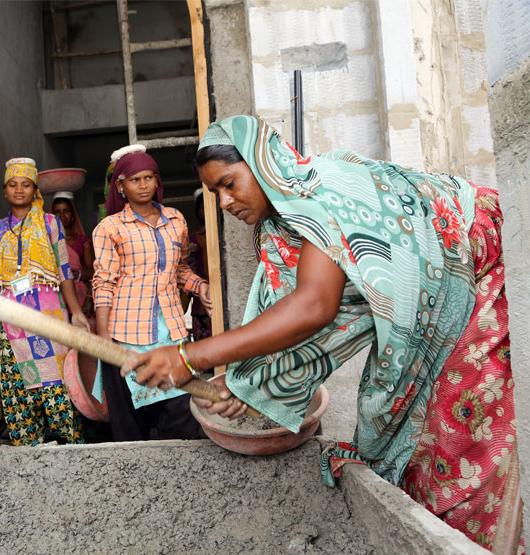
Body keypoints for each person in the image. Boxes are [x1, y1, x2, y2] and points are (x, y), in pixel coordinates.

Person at [122, 115, 516, 550]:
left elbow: (314, 308)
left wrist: (187, 356)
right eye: (216, 192)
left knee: (460, 436)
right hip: (449, 291)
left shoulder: (324, 191)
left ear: (262, 162)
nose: (225, 201)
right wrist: (247, 382)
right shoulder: (283, 229)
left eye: (229, 183)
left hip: (480, 272)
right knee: (426, 436)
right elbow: (306, 320)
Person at [93, 145, 212, 442]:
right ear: (120, 186)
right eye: (135, 180)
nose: (143, 185)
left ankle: (178, 474)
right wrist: (105, 335)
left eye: (149, 178)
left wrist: (200, 286)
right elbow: (104, 282)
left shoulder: (176, 221)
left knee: (181, 409)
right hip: (125, 333)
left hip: (169, 330)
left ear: (157, 181)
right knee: (129, 422)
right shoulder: (110, 228)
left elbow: (179, 269)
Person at [0, 157, 89, 446]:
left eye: (26, 184)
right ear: (5, 190)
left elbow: (64, 272)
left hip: (49, 316)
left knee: (55, 381)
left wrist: (77, 312)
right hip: (11, 321)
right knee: (15, 384)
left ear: (35, 190)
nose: (19, 190)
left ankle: (69, 447)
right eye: (12, 185)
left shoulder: (50, 223)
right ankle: (27, 449)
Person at [49, 191, 94, 314]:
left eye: (66, 211)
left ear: (73, 215)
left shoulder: (83, 241)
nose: (62, 215)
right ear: (51, 216)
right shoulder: (46, 241)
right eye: (57, 211)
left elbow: (94, 272)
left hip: (79, 294)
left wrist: (76, 275)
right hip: (54, 294)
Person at [187, 188, 212, 340]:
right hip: (200, 305)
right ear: (198, 212)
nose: (206, 211)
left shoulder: (225, 235)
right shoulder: (193, 239)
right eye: (203, 208)